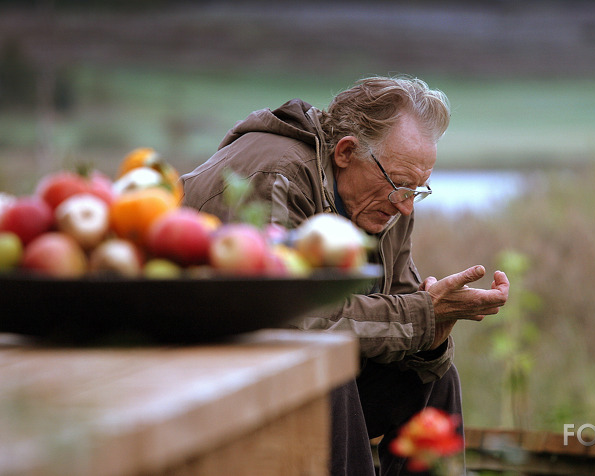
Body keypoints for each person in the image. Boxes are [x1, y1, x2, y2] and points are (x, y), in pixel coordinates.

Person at [180, 76, 510, 476]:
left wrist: (434, 331)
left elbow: (404, 308)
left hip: (287, 369)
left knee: (433, 377)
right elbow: (289, 318)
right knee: (326, 368)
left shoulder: (383, 198)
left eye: (417, 191)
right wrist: (420, 317)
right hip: (205, 375)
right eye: (401, 187)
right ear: (346, 152)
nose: (406, 207)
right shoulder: (277, 175)